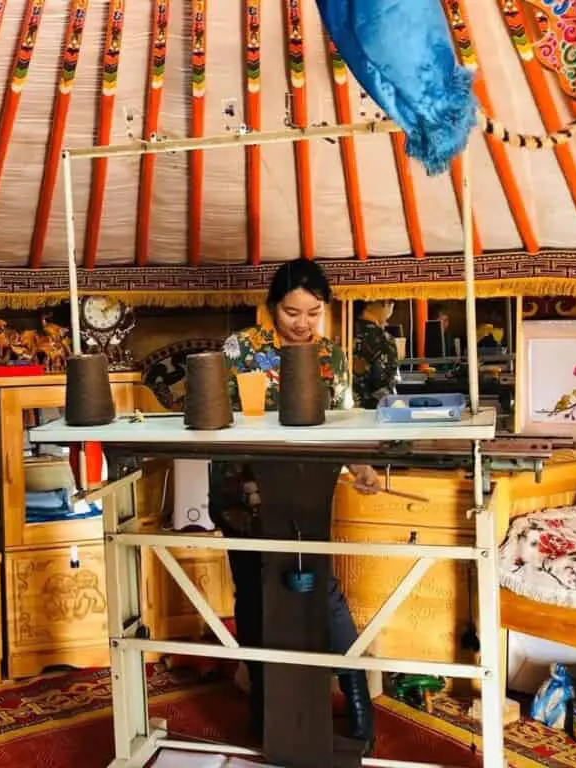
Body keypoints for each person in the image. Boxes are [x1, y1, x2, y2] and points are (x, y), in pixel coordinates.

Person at [211, 258, 381, 749]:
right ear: (271, 308)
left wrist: (360, 466)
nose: (302, 324)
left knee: (321, 591)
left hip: (305, 493)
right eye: (291, 312)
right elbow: (215, 418)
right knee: (252, 592)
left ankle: (356, 699)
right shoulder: (241, 349)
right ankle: (266, 705)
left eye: (313, 312)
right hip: (243, 493)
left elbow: (344, 424)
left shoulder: (332, 356)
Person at [352, 299, 400, 408]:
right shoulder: (383, 338)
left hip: (349, 406)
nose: (390, 307)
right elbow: (382, 384)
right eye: (390, 302)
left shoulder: (345, 329)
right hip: (374, 411)